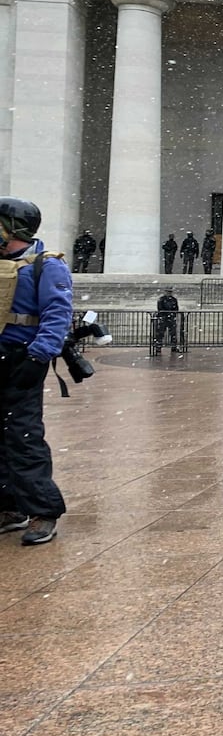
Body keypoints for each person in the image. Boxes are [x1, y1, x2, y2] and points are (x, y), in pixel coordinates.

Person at [0, 197, 73, 546]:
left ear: (13, 228)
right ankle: (9, 506)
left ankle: (43, 511)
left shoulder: (46, 266)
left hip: (22, 359)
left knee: (22, 435)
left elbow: (56, 314)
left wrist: (38, 357)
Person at [155, 287, 180, 353]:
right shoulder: (162, 299)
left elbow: (176, 309)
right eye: (168, 292)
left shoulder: (173, 299)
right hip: (164, 318)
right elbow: (160, 308)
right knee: (161, 333)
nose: (169, 293)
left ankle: (173, 346)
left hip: (170, 318)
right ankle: (158, 347)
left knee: (173, 333)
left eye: (170, 292)